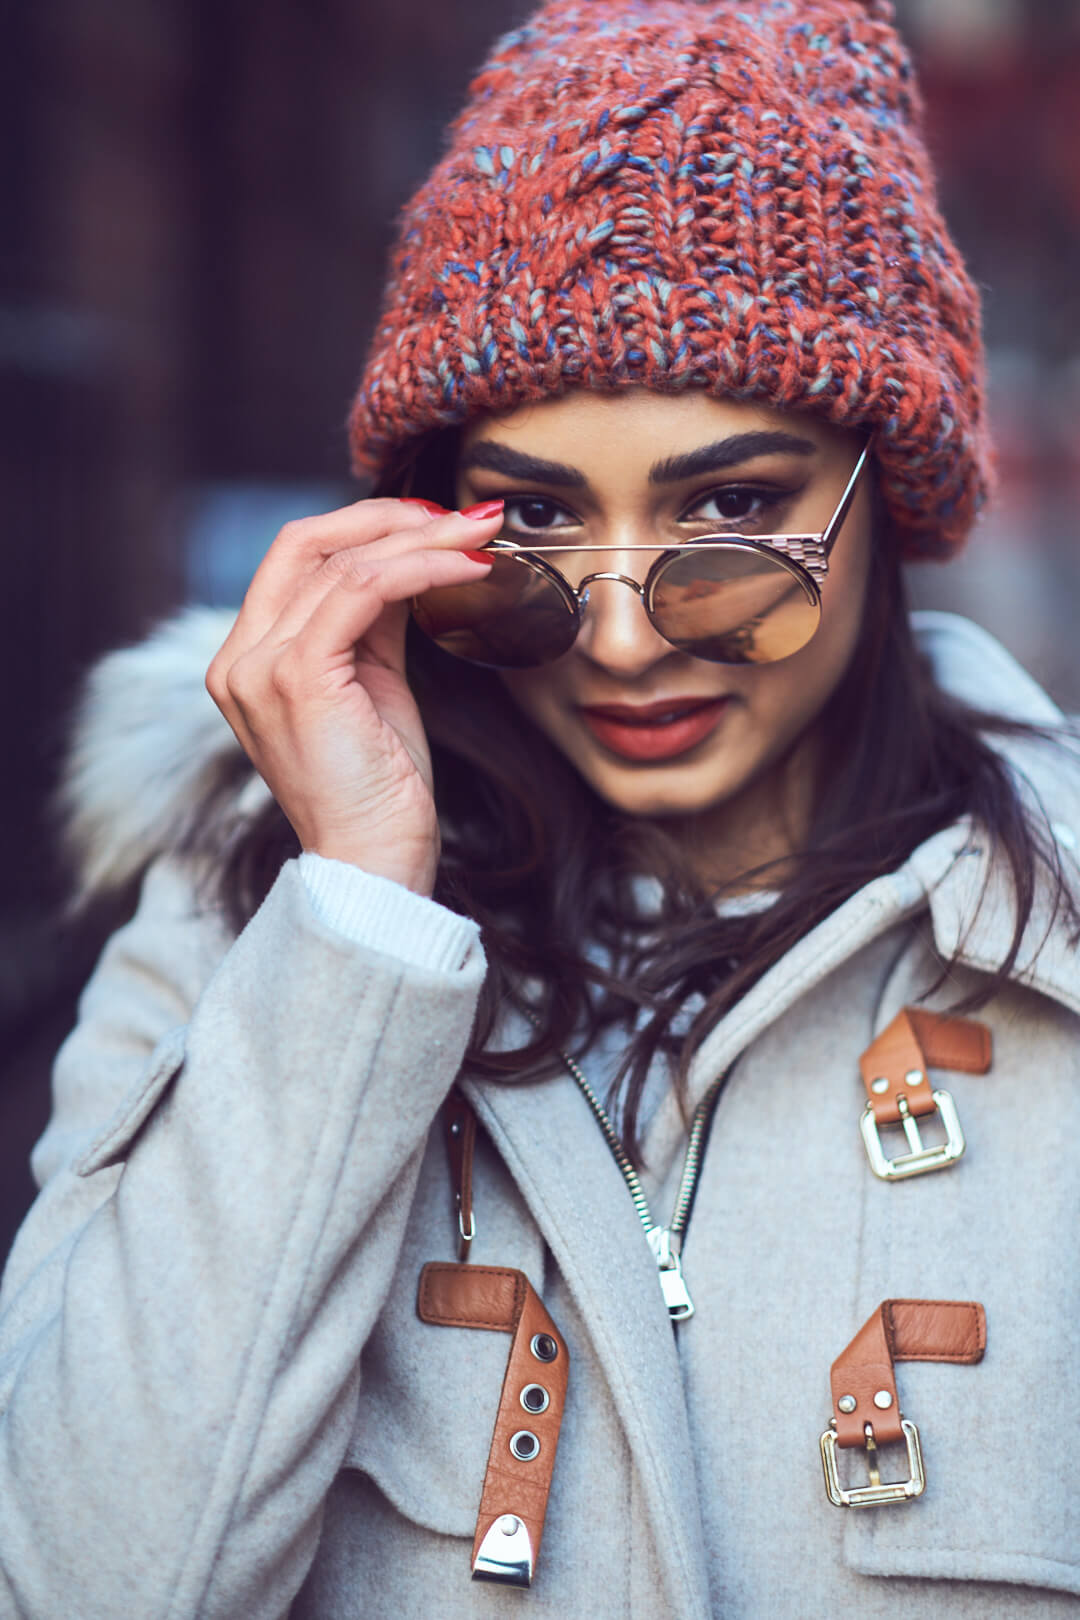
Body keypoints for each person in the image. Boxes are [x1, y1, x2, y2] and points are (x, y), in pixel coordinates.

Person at [2, 1, 1079, 1615]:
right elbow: (81, 1580)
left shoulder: (1052, 962)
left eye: (734, 510)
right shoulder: (247, 927)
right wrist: (359, 925)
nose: (630, 638)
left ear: (891, 500)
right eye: (536, 525)